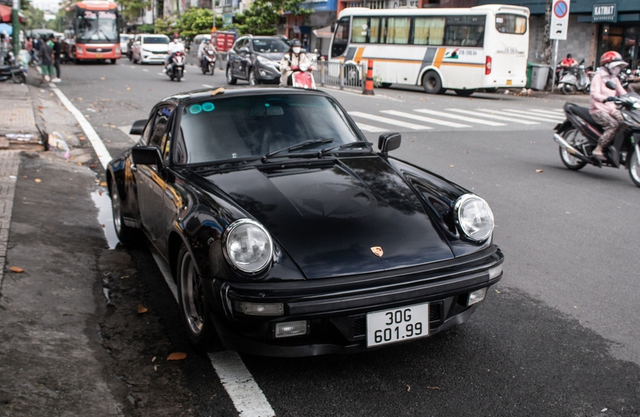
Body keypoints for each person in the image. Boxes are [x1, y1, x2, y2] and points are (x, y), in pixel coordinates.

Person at [589, 51, 628, 160]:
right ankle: (599, 148)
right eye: (616, 66)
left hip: (611, 108)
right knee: (613, 125)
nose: (618, 69)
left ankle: (617, 146)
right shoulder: (598, 77)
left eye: (619, 66)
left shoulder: (614, 79)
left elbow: (622, 92)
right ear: (607, 65)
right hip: (598, 108)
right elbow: (594, 93)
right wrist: (605, 98)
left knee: (626, 122)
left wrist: (630, 99)